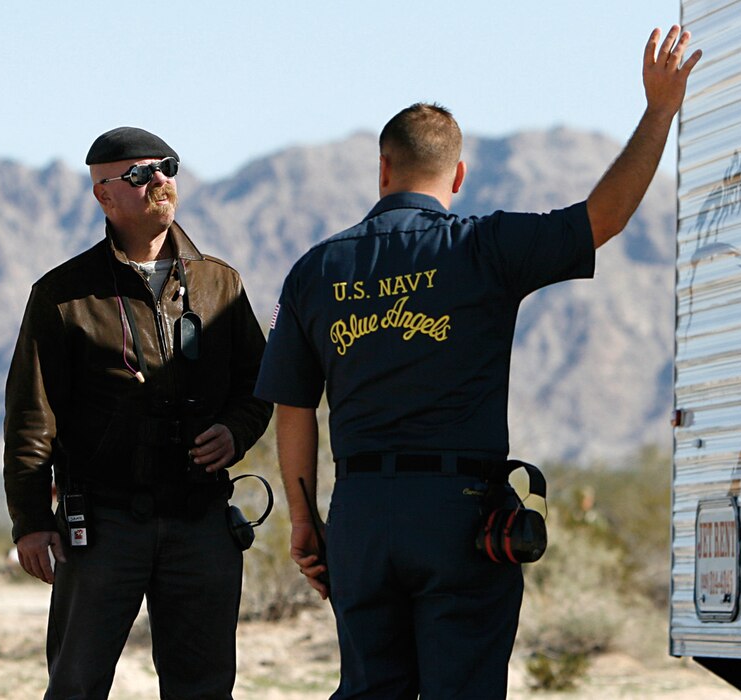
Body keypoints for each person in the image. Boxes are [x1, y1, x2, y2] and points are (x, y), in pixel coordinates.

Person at [253, 26, 701, 700]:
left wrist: (305, 520)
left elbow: (293, 408)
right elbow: (599, 219)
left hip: (363, 514)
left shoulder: (317, 270)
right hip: (460, 516)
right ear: (457, 176)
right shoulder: (484, 247)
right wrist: (659, 110)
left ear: (382, 169)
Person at [3, 126, 273, 699]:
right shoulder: (62, 295)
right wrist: (30, 520)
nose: (159, 181)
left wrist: (236, 430)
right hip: (103, 524)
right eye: (138, 174)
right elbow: (33, 415)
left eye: (167, 167)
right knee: (76, 684)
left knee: (202, 688)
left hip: (201, 518)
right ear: (104, 195)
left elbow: (259, 382)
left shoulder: (218, 283)